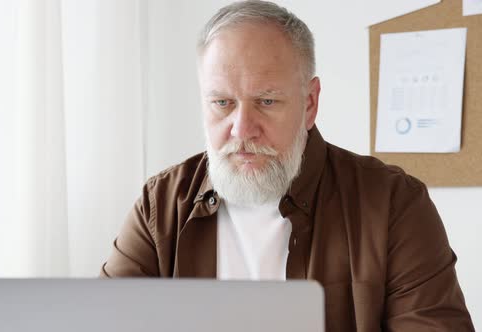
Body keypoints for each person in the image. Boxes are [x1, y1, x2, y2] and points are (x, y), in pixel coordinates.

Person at [100, 1, 474, 330]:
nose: (242, 129)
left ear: (309, 103)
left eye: (266, 101)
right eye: (222, 103)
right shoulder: (159, 206)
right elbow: (100, 320)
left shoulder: (394, 204)